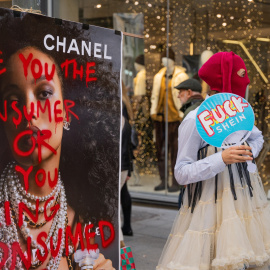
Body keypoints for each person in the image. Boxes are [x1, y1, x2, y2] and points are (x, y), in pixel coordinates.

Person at [0, 12, 118, 270]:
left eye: (43, 93)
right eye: (12, 101)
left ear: (66, 110)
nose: (29, 112)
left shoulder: (81, 224)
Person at [156, 51, 270, 270]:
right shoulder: (194, 119)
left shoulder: (240, 112)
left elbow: (258, 137)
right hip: (208, 206)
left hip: (245, 201)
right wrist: (221, 159)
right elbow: (181, 172)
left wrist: (249, 150)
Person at [151, 48, 189, 192]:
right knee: (160, 151)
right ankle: (163, 180)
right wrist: (153, 111)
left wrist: (182, 114)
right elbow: (155, 95)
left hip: (175, 119)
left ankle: (175, 181)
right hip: (160, 119)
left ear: (172, 60)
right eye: (162, 59)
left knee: (176, 151)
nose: (164, 61)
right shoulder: (158, 76)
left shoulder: (181, 76)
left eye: (167, 58)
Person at [174, 78, 204, 208]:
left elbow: (188, 146)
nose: (178, 96)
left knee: (185, 207)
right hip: (198, 168)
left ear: (189, 92)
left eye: (181, 92)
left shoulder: (191, 112)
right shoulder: (202, 108)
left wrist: (186, 174)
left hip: (192, 170)